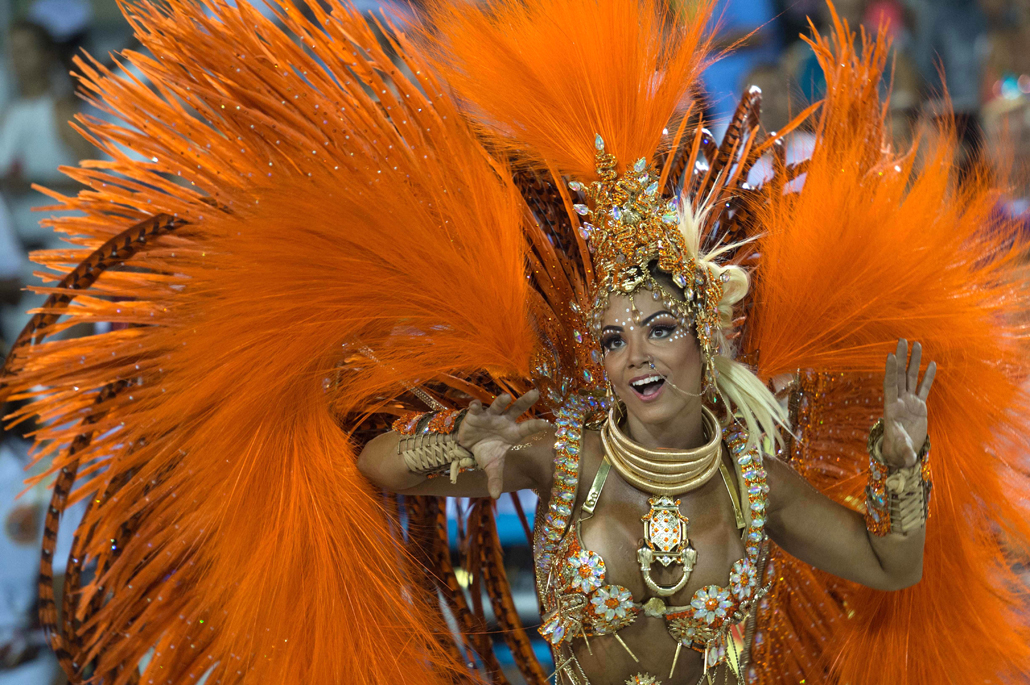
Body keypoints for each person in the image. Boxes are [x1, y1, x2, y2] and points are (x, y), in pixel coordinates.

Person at [0, 1, 1027, 685]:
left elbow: (890, 569)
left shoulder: (757, 478)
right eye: (616, 337)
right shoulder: (561, 448)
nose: (636, 356)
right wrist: (456, 438)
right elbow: (375, 462)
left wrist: (900, 459)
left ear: (706, 343)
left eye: (660, 330)